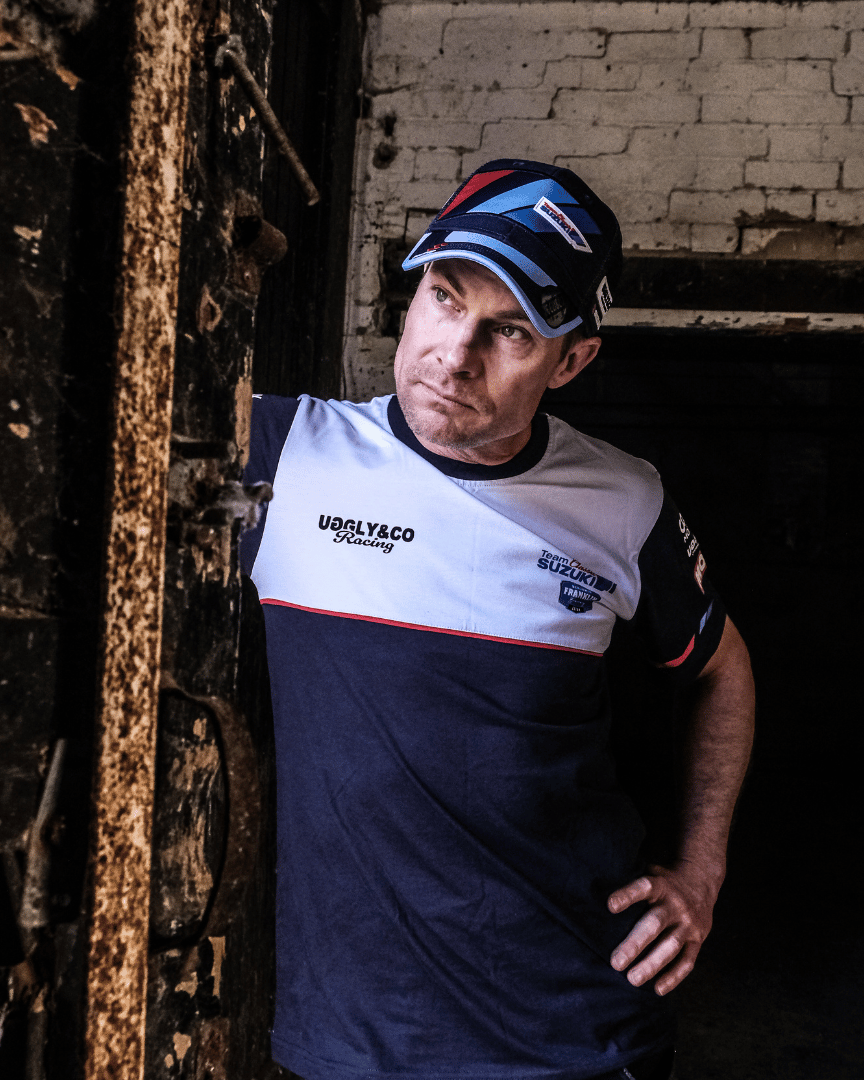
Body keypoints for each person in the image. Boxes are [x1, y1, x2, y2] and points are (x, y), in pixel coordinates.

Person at [240, 159, 755, 1080]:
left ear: (572, 360)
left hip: (576, 1033)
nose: (455, 353)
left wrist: (702, 869)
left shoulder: (624, 502)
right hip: (351, 1041)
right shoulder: (285, 455)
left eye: (509, 330)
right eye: (444, 298)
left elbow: (721, 669)